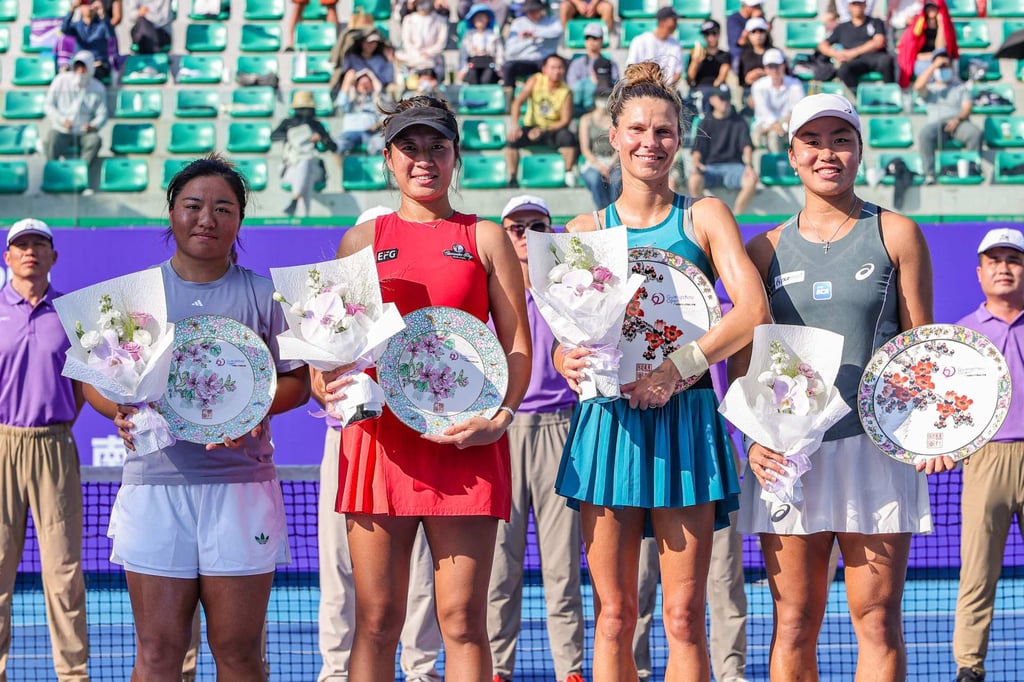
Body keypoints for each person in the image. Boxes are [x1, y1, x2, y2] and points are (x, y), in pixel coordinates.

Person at [553, 61, 769, 682]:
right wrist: (566, 359)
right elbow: (569, 343)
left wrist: (675, 371)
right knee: (614, 615)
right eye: (638, 130)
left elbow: (751, 310)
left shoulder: (706, 216)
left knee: (682, 615)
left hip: (688, 420)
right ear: (614, 136)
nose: (651, 142)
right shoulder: (581, 231)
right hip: (608, 427)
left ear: (681, 138)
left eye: (665, 131)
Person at [734, 93, 955, 681]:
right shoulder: (763, 250)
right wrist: (755, 441)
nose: (826, 152)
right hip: (788, 457)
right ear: (791, 154)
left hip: (876, 452)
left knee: (877, 617)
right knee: (794, 622)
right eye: (813, 140)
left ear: (859, 150)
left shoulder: (899, 233)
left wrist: (935, 431)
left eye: (840, 139)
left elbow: (922, 349)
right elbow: (746, 359)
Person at [317, 96, 531, 682]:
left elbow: (517, 347)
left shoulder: (485, 237)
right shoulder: (361, 241)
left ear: (455, 155)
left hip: (466, 443)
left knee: (462, 621)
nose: (424, 159)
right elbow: (329, 351)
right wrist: (326, 381)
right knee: (377, 621)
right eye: (409, 147)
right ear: (388, 158)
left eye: (437, 146)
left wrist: (502, 415)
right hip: (380, 445)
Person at [83, 154, 312, 681]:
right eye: (193, 205)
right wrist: (119, 408)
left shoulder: (263, 295)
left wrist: (253, 409)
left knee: (237, 651)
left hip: (241, 489)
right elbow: (95, 382)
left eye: (223, 208)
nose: (207, 218)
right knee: (159, 652)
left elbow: (298, 383)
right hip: (155, 488)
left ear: (240, 220)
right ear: (171, 211)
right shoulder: (132, 297)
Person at [313, 205, 443, 682]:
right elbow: (317, 377)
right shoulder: (332, 307)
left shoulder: (421, 311)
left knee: (422, 574)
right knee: (339, 570)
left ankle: (422, 669)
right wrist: (329, 383)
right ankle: (333, 671)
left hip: (418, 445)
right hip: (349, 446)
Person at [488, 195, 586, 682]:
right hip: (500, 432)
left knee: (563, 565)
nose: (525, 233)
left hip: (559, 430)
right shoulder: (490, 295)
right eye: (515, 226)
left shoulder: (574, 294)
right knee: (499, 565)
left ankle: (570, 669)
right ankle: (498, 669)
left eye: (536, 224)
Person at [0, 219, 90, 682]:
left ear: (53, 256)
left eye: (39, 244)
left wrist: (54, 426)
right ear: (7, 257)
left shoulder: (72, 314)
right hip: (1, 447)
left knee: (64, 573)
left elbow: (81, 387)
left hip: (54, 445)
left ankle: (73, 676)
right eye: (21, 245)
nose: (30, 252)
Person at [951, 228, 1024, 682]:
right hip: (986, 461)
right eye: (994, 260)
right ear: (979, 273)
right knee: (977, 573)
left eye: (1013, 259)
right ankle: (969, 668)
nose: (1004, 267)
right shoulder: (962, 334)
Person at [506, 54, 578, 187]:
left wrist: (544, 130)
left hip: (552, 129)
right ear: (544, 69)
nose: (557, 71)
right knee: (512, 138)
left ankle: (568, 173)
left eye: (560, 68)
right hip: (531, 126)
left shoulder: (566, 91)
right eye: (553, 67)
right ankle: (512, 177)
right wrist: (515, 125)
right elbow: (517, 103)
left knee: (568, 137)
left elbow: (565, 120)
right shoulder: (536, 80)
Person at [688, 84, 758, 217]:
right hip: (710, 168)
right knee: (694, 180)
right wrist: (696, 164)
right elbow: (697, 149)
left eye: (727, 98)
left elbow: (747, 146)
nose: (725, 102)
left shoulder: (739, 121)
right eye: (721, 98)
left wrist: (749, 166)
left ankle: (737, 218)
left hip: (734, 167)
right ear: (712, 100)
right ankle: (707, 216)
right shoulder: (705, 123)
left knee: (751, 180)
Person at [913, 52, 981, 186]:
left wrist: (957, 119)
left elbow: (967, 107)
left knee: (975, 133)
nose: (943, 69)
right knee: (924, 135)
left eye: (946, 66)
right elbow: (918, 87)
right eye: (941, 66)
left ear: (952, 68)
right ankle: (930, 175)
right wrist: (934, 66)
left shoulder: (961, 88)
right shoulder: (931, 89)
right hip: (936, 125)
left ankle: (973, 169)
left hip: (958, 122)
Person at [271, 90, 339, 218]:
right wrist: (294, 135)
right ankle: (303, 215)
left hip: (313, 169)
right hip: (291, 168)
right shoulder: (287, 123)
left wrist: (321, 138)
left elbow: (333, 146)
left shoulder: (316, 125)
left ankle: (295, 200)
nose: (305, 113)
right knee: (303, 170)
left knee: (306, 163)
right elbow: (273, 137)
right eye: (302, 109)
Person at [43, 51, 107, 170]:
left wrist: (93, 126)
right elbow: (48, 105)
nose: (80, 71)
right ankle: (53, 173)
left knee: (95, 140)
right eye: (77, 67)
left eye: (84, 67)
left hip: (84, 133)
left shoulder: (98, 87)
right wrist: (62, 121)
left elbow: (102, 114)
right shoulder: (60, 80)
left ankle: (81, 172)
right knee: (52, 138)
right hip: (62, 130)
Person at [817, 0, 895, 90]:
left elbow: (879, 42)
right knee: (843, 70)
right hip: (854, 62)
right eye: (854, 4)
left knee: (886, 61)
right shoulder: (842, 27)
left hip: (874, 57)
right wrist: (836, 54)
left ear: (865, 5)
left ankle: (889, 94)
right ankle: (855, 97)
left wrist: (854, 52)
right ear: (849, 6)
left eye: (860, 3)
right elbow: (822, 44)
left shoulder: (876, 22)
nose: (857, 7)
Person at [750, 48, 805, 153]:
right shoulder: (758, 86)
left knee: (774, 136)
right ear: (765, 69)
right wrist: (776, 125)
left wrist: (780, 125)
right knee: (773, 136)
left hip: (786, 124)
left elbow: (797, 109)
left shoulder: (795, 84)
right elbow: (763, 112)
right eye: (770, 67)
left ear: (783, 66)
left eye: (777, 66)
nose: (774, 70)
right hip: (764, 124)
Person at [896, 0, 958, 88]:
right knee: (932, 70)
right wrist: (931, 59)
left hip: (939, 57)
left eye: (934, 8)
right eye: (929, 8)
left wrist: (941, 25)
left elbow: (940, 48)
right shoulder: (918, 24)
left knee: (942, 62)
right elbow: (911, 49)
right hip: (922, 59)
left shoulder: (945, 26)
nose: (931, 10)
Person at [502, 0, 563, 88]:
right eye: (530, 11)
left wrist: (536, 34)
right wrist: (528, 41)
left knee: (560, 65)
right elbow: (510, 51)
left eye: (535, 10)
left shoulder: (552, 20)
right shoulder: (518, 23)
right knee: (508, 67)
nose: (532, 13)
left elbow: (557, 32)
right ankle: (509, 97)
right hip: (525, 61)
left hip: (545, 60)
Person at [578, 92, 620, 209]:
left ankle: (615, 212)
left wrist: (610, 164)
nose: (603, 100)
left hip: (614, 161)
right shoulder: (586, 119)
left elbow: (620, 145)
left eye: (606, 96)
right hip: (593, 162)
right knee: (595, 179)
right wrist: (600, 166)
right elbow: (585, 149)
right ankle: (603, 212)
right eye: (600, 96)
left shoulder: (617, 120)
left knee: (616, 180)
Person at [566, 23, 619, 114]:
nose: (591, 41)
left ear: (601, 40)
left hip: (604, 106)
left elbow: (616, 86)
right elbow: (573, 87)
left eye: (594, 38)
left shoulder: (610, 63)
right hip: (581, 106)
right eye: (588, 38)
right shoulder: (576, 63)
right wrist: (591, 82)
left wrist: (601, 83)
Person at [624, 7, 684, 87]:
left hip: (667, 90)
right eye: (674, 20)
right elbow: (631, 69)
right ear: (663, 21)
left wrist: (664, 88)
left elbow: (678, 72)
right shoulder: (640, 40)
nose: (676, 24)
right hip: (642, 88)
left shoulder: (676, 44)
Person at [334, 70, 387, 155]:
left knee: (380, 143)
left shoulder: (378, 99)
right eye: (361, 83)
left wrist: (377, 125)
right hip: (351, 133)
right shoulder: (351, 98)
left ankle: (377, 167)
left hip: (371, 133)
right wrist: (347, 82)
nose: (364, 85)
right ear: (356, 85)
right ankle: (340, 167)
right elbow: (341, 104)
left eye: (367, 83)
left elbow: (386, 118)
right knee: (338, 145)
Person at [61, 0, 116, 81]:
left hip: (98, 65)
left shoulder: (102, 25)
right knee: (66, 76)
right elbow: (64, 29)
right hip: (79, 65)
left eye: (91, 4)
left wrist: (103, 13)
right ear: (80, 7)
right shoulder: (76, 26)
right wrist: (72, 9)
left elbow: (111, 35)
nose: (89, 7)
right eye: (86, 4)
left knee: (89, 75)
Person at [332, 28, 396, 97]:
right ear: (361, 42)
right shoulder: (351, 57)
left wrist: (390, 60)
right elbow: (341, 73)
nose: (371, 45)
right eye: (368, 42)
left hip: (375, 96)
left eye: (374, 42)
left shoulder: (380, 60)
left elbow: (388, 80)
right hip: (353, 96)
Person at [395, 0, 449, 81]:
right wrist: (417, 55)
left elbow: (441, 44)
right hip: (412, 58)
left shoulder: (441, 20)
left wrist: (428, 53)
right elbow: (407, 43)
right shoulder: (408, 20)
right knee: (401, 75)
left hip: (433, 59)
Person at [687, 19, 731, 114]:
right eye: (707, 34)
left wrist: (713, 91)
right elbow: (690, 80)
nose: (710, 37)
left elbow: (721, 78)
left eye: (713, 33)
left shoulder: (724, 55)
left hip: (715, 90)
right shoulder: (696, 54)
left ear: (719, 34)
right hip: (699, 89)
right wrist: (695, 62)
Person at [458, 4, 503, 85]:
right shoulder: (469, 35)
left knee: (487, 78)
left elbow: (499, 53)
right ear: (473, 20)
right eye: (477, 17)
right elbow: (463, 54)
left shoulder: (493, 35)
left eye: (482, 17)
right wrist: (463, 69)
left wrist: (499, 67)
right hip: (473, 62)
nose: (480, 20)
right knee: (472, 77)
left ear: (488, 19)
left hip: (489, 62)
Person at [726, 0, 764, 68]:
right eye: (754, 6)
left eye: (758, 6)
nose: (757, 9)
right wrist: (753, 21)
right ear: (744, 5)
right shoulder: (733, 19)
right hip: (739, 55)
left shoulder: (760, 18)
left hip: (756, 53)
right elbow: (741, 42)